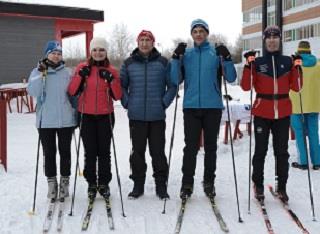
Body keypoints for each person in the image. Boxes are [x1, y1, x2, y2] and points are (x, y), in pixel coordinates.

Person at [170, 19, 237, 199]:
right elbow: (175, 80)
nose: (198, 34)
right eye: (195, 31)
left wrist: (228, 59)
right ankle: (187, 184)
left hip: (212, 107)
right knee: (190, 148)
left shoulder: (216, 54)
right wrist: (176, 59)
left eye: (201, 31)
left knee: (210, 148)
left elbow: (231, 78)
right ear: (191, 34)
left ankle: (209, 182)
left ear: (207, 33)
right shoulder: (187, 54)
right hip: (191, 107)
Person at [241, 25, 302, 202]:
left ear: (280, 40)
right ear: (265, 40)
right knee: (260, 150)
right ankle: (258, 185)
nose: (273, 40)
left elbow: (297, 87)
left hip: (282, 113)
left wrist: (298, 67)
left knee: (281, 152)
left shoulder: (288, 61)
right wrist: (248, 65)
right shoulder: (257, 62)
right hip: (262, 112)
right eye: (269, 37)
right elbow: (246, 86)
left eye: (276, 37)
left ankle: (281, 187)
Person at [120, 30, 176, 199]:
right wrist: (127, 102)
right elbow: (121, 86)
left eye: (148, 40)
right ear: (137, 42)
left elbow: (172, 86)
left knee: (158, 152)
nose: (144, 43)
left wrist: (164, 103)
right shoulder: (128, 63)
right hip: (136, 116)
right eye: (141, 40)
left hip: (157, 116)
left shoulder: (163, 62)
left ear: (153, 43)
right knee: (137, 152)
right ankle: (138, 185)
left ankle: (161, 185)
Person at [68, 37, 122, 199]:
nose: (98, 53)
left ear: (106, 52)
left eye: (102, 50)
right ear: (90, 52)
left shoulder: (112, 70)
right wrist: (80, 76)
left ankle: (104, 183)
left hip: (106, 116)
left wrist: (111, 80)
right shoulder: (82, 68)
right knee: (90, 152)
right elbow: (72, 91)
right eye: (95, 50)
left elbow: (118, 96)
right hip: (86, 115)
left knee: (104, 151)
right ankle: (91, 183)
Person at [27, 40, 77, 200]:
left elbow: (74, 93)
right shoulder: (37, 71)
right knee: (49, 153)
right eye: (53, 53)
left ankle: (64, 183)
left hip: (66, 120)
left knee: (65, 153)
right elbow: (33, 92)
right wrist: (41, 74)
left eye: (59, 53)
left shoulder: (67, 72)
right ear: (47, 54)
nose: (56, 56)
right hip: (45, 121)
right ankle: (51, 184)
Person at [290, 41, 320, 171]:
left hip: (297, 105)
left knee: (300, 133)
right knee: (314, 133)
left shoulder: (293, 64)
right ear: (309, 50)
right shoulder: (318, 63)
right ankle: (317, 162)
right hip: (314, 104)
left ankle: (303, 162)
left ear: (298, 51)